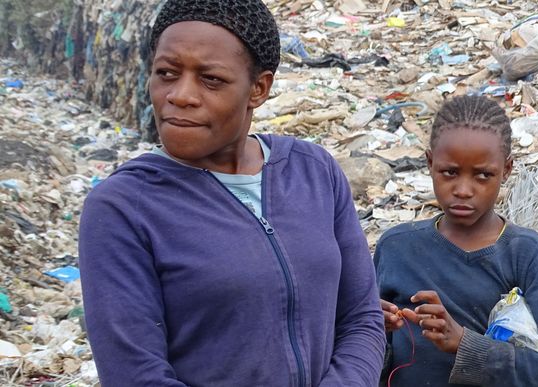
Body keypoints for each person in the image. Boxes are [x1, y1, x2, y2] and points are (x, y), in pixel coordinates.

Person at [78, 1, 385, 385]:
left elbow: (361, 317)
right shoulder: (123, 207)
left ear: (259, 89)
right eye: (166, 73)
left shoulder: (314, 171)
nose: (180, 95)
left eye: (211, 79)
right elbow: (135, 374)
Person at [374, 96, 538, 386]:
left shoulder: (525, 254)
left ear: (506, 170)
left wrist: (464, 344)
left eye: (483, 175)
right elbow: (363, 355)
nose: (463, 190)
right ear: (430, 163)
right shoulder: (396, 248)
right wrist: (373, 328)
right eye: (450, 172)